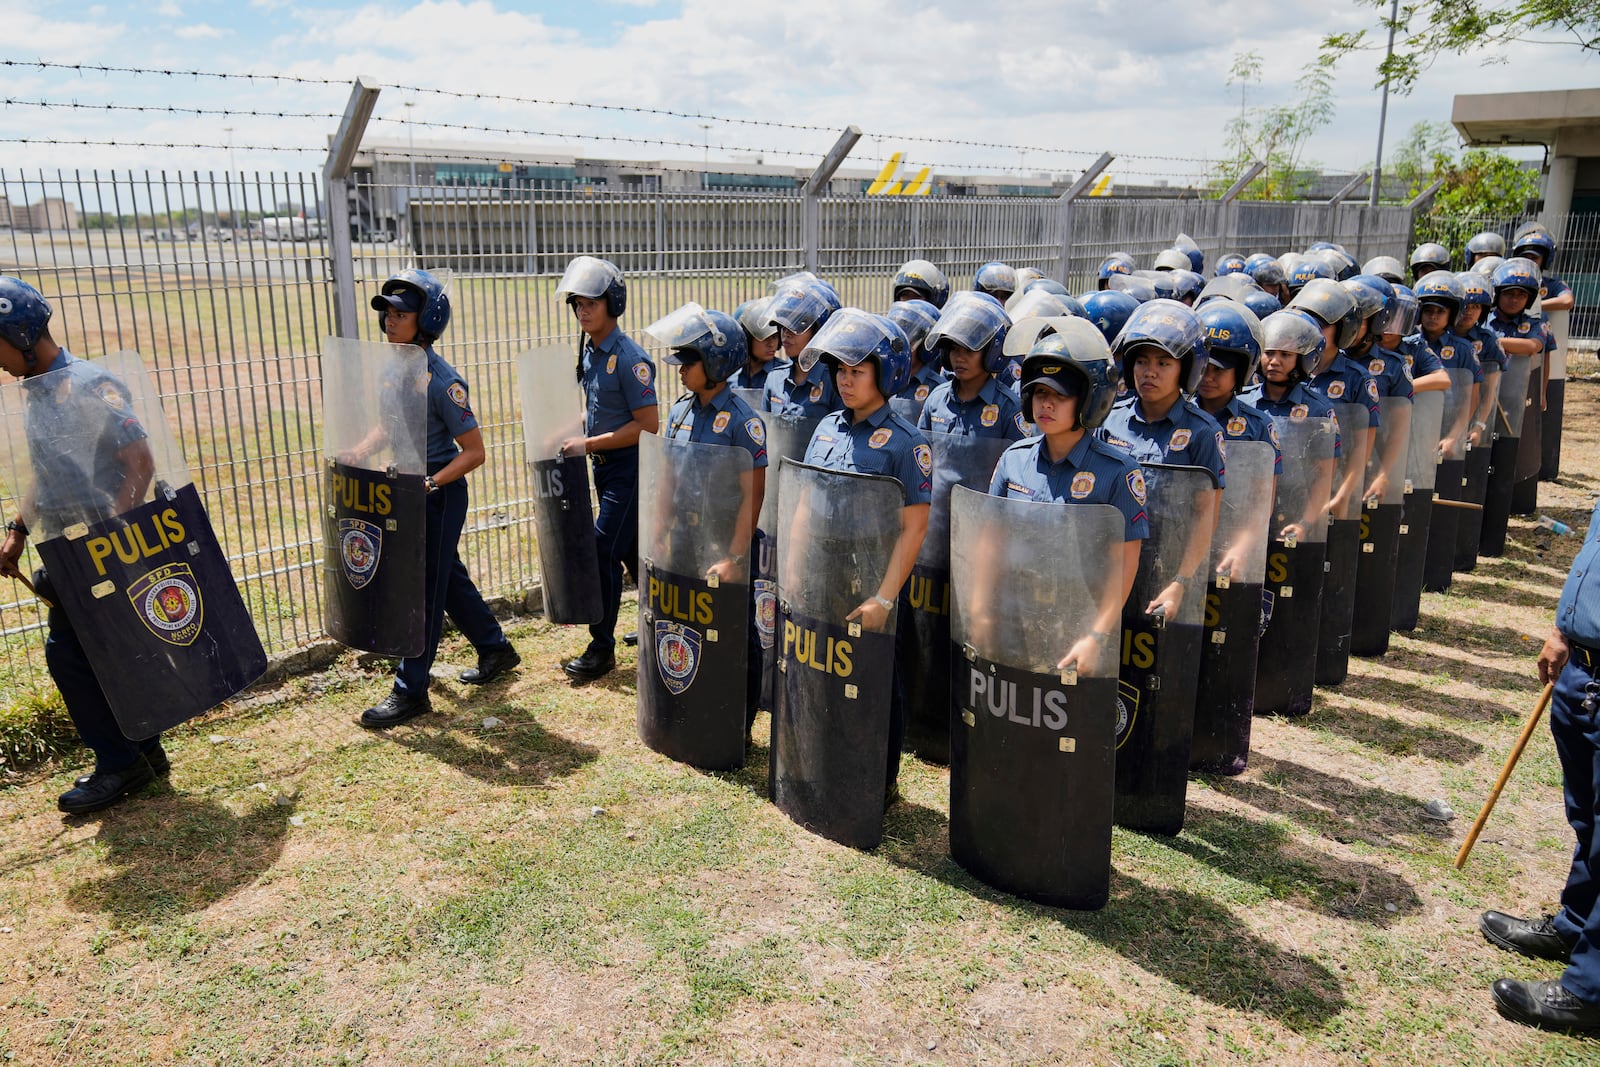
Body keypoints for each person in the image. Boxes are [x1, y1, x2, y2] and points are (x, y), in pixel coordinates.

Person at [0, 276, 165, 812]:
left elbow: (139, 464)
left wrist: (111, 540)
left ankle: (119, 764)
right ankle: (143, 750)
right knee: (108, 651)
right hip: (66, 546)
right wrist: (18, 530)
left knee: (69, 655)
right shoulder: (42, 392)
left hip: (101, 547)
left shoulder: (92, 385)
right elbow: (48, 474)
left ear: (21, 335)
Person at [356, 270, 520, 726]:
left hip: (437, 491)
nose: (391, 321)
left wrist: (431, 483)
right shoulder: (394, 367)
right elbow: (388, 428)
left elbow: (474, 452)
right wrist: (359, 450)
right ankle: (495, 647)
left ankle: (411, 691)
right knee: (444, 575)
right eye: (387, 313)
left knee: (422, 589)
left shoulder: (443, 381)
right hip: (406, 485)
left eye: (401, 314)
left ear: (426, 321)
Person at [799, 309, 932, 800]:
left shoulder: (907, 443)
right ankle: (828, 751)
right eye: (840, 371)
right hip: (823, 572)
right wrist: (795, 568)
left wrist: (885, 598)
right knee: (827, 667)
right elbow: (806, 500)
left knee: (878, 678)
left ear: (886, 373)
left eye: (857, 371)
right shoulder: (827, 426)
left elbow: (914, 527)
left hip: (874, 579)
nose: (845, 381)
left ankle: (882, 778)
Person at [1479, 497, 1600, 1033]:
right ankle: (1575, 927)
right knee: (1589, 818)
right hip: (1584, 667)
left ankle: (1589, 989)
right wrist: (1563, 627)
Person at [989, 327, 1148, 676]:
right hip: (1016, 614)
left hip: (1080, 620)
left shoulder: (1118, 472)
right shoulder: (1012, 459)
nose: (1046, 404)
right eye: (1040, 393)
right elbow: (991, 544)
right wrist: (981, 610)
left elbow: (1123, 565)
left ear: (1088, 401)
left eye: (1059, 396)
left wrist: (1096, 635)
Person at [653, 304, 769, 726]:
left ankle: (742, 717)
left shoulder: (744, 423)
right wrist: (659, 531)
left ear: (717, 362)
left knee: (735, 627)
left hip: (724, 543)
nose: (680, 369)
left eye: (689, 360)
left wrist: (736, 557)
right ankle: (694, 701)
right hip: (686, 536)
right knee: (685, 621)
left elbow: (751, 498)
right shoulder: (679, 412)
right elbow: (667, 480)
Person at [555, 256, 658, 683]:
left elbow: (647, 426)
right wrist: (572, 429)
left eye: (591, 303)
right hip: (605, 467)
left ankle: (602, 647)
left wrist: (588, 443)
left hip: (629, 469)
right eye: (577, 304)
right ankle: (661, 625)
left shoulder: (629, 357)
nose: (583, 311)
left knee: (603, 550)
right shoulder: (594, 352)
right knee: (633, 552)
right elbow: (602, 412)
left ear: (612, 303)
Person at [917, 295, 1027, 440]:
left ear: (991, 353)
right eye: (954, 349)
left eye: (969, 350)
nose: (959, 358)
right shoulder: (936, 399)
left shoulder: (1009, 407)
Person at [763, 282, 841, 418]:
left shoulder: (836, 382)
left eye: (797, 326)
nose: (786, 333)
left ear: (820, 331)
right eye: (783, 325)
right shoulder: (775, 379)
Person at [728, 297, 784, 391]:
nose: (771, 344)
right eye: (764, 337)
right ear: (746, 339)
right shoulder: (729, 374)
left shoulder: (784, 376)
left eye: (775, 336)